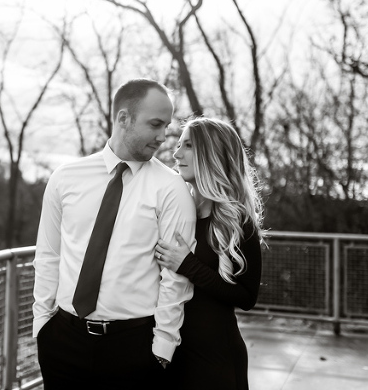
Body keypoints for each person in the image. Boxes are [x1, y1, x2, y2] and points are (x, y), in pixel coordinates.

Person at [32, 78, 197, 389]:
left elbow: (176, 278)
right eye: (155, 124)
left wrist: (162, 348)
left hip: (133, 349)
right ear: (124, 119)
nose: (164, 136)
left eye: (166, 126)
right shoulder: (65, 178)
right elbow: (48, 255)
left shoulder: (171, 188)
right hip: (63, 341)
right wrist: (42, 324)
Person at [155, 116, 265, 390]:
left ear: (212, 154)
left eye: (188, 145)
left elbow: (246, 297)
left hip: (214, 360)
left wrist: (189, 265)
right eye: (178, 144)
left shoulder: (236, 220)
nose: (176, 153)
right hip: (171, 352)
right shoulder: (177, 212)